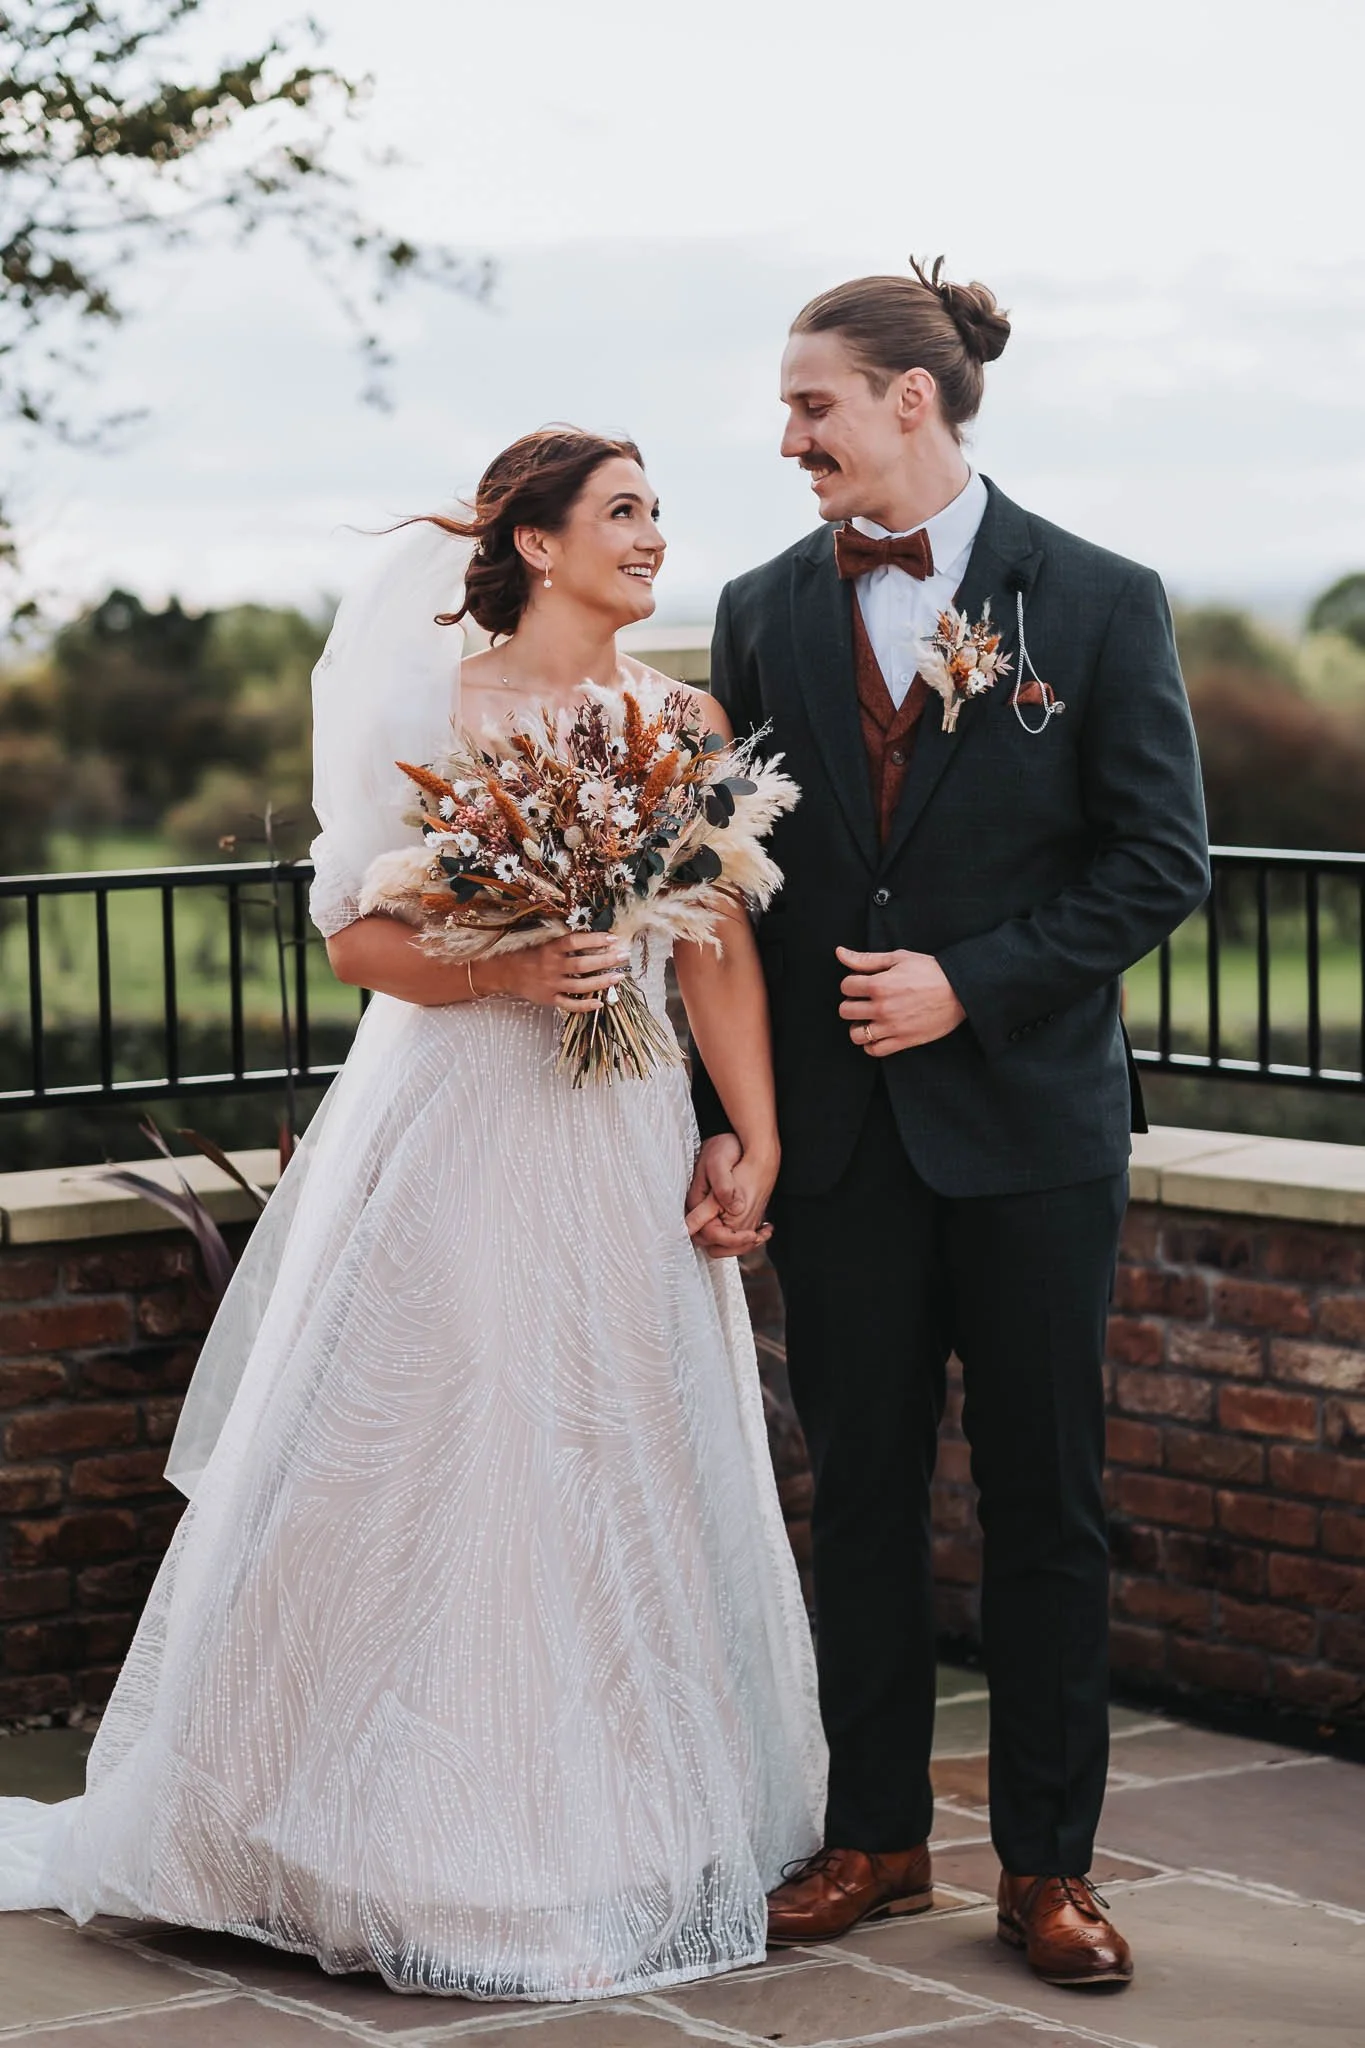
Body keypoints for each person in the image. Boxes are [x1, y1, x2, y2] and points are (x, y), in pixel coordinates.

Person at [0, 428, 825, 2002]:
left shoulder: (686, 719)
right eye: (626, 513)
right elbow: (360, 943)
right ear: (537, 543)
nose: (656, 538)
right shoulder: (435, 706)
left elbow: (716, 942)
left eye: (659, 513)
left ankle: (601, 1831)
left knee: (611, 1441)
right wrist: (514, 969)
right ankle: (353, 1840)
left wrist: (755, 1138)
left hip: (624, 1131)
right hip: (459, 1126)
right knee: (448, 1435)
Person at [688, 260, 1210, 1989]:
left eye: (812, 405)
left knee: (1050, 1505)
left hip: (1035, 1134)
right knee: (862, 1501)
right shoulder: (762, 608)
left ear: (913, 400)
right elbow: (732, 904)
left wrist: (967, 983)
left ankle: (1050, 1872)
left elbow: (1159, 865)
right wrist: (733, 1125)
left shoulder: (1104, 599)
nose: (788, 440)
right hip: (837, 1147)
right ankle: (877, 1840)